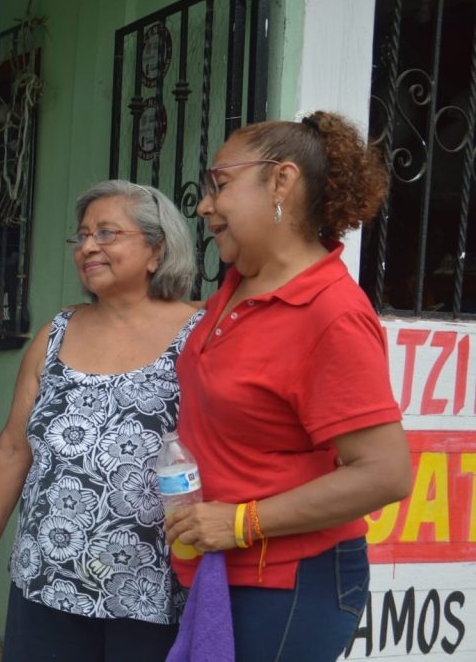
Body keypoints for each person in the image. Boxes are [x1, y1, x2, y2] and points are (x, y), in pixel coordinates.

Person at [165, 111, 413, 661]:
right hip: (222, 572)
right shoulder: (237, 285)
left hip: (291, 584)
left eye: (221, 184)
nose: (205, 205)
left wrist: (241, 520)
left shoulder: (331, 313)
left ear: (281, 180)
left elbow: (387, 473)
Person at [0, 180, 203, 661]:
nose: (88, 247)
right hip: (48, 579)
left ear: (156, 251)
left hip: (153, 588)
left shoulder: (200, 332)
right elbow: (15, 447)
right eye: (81, 236)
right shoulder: (56, 332)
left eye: (106, 233)